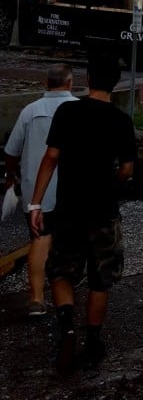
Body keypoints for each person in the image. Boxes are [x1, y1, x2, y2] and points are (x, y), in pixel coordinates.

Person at [29, 53, 137, 375]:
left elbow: (50, 157)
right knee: (99, 280)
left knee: (61, 271)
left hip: (69, 210)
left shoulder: (68, 111)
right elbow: (128, 169)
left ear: (87, 80)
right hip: (104, 211)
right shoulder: (121, 121)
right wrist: (111, 180)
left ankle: (66, 328)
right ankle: (93, 341)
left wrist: (36, 203)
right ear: (116, 84)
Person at [4, 64, 77, 318]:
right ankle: (67, 291)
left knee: (39, 238)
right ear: (70, 83)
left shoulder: (30, 111)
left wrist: (10, 175)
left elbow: (11, 151)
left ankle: (36, 297)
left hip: (36, 188)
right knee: (70, 239)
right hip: (71, 187)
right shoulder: (78, 109)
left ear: (46, 83)